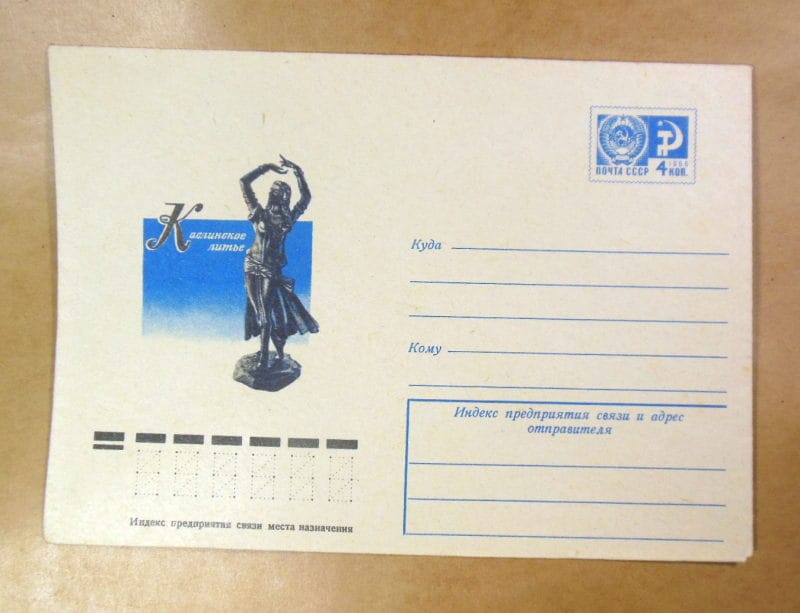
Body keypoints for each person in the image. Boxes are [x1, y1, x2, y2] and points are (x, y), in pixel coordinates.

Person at [240, 157, 319, 368]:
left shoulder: (287, 219)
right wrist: (265, 168)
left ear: (285, 198)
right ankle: (266, 353)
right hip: (251, 265)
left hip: (270, 270)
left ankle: (264, 358)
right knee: (259, 312)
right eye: (275, 192)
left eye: (282, 194)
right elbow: (244, 182)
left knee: (266, 315)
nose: (277, 195)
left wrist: (298, 171)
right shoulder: (259, 213)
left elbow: (306, 198)